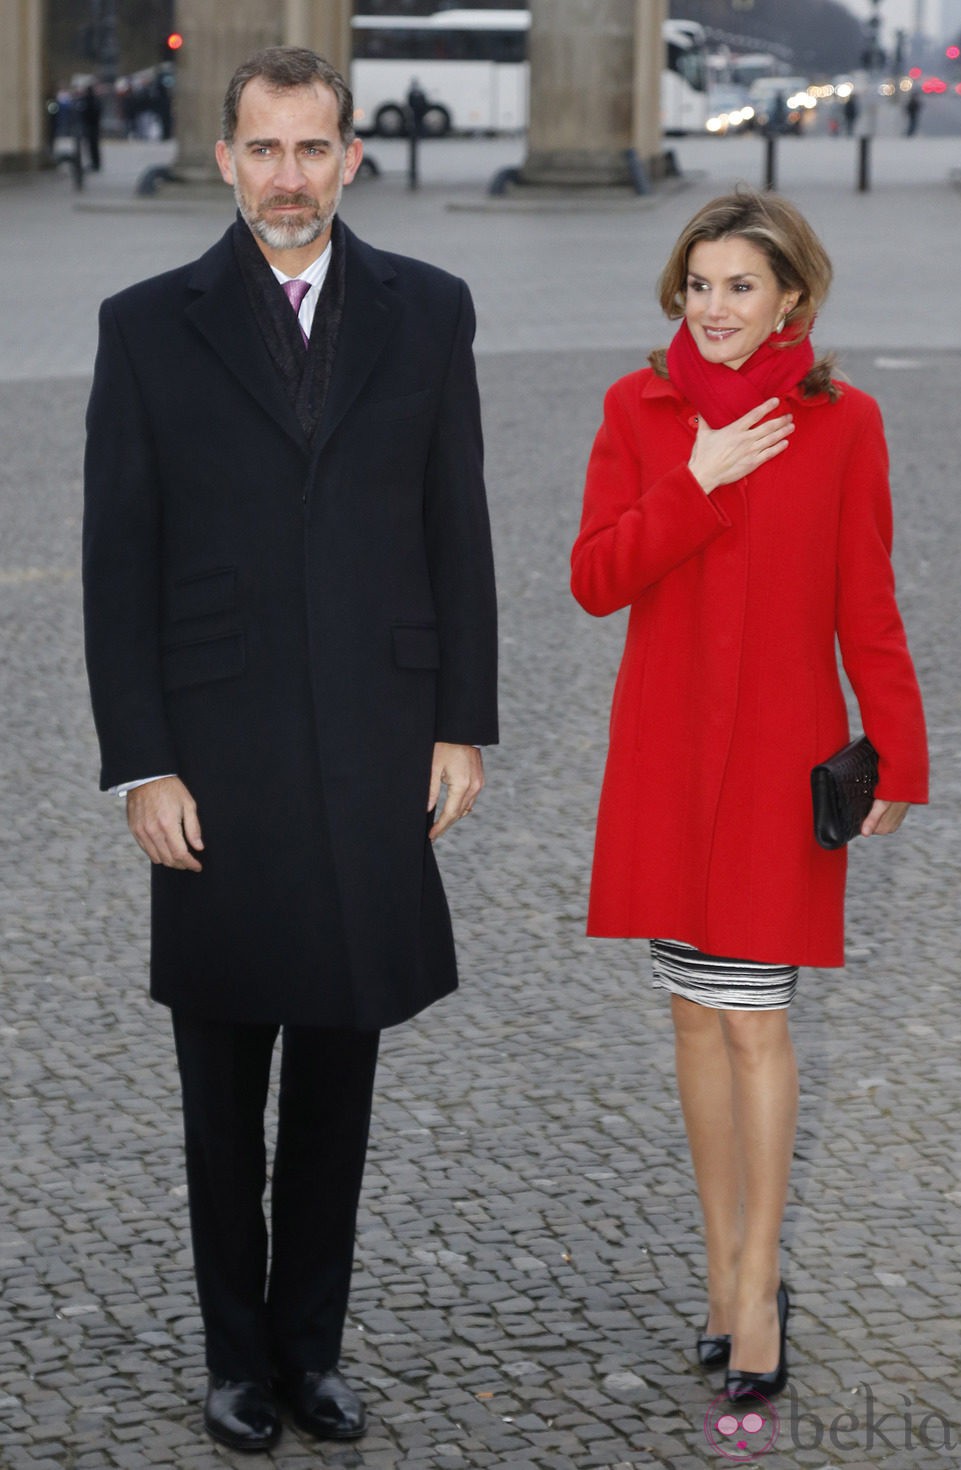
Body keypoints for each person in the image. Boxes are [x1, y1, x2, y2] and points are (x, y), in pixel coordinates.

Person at [83, 46, 497, 1453]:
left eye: (313, 150)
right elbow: (114, 562)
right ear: (225, 158)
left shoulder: (429, 312)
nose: (288, 178)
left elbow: (459, 529)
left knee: (338, 1071)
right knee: (220, 1088)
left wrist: (461, 722)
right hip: (217, 754)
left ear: (353, 157)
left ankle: (312, 1352)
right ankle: (233, 1357)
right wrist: (142, 762)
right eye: (264, 150)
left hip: (380, 745)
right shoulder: (145, 325)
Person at [570, 190, 927, 1407]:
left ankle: (760, 1279)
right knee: (690, 1017)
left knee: (752, 1019)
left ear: (792, 302)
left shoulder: (842, 423)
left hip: (779, 762)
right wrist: (696, 478)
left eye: (739, 286)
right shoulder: (638, 410)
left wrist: (900, 752)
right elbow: (595, 579)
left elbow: (864, 600)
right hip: (665, 758)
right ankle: (721, 1274)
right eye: (698, 284)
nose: (714, 307)